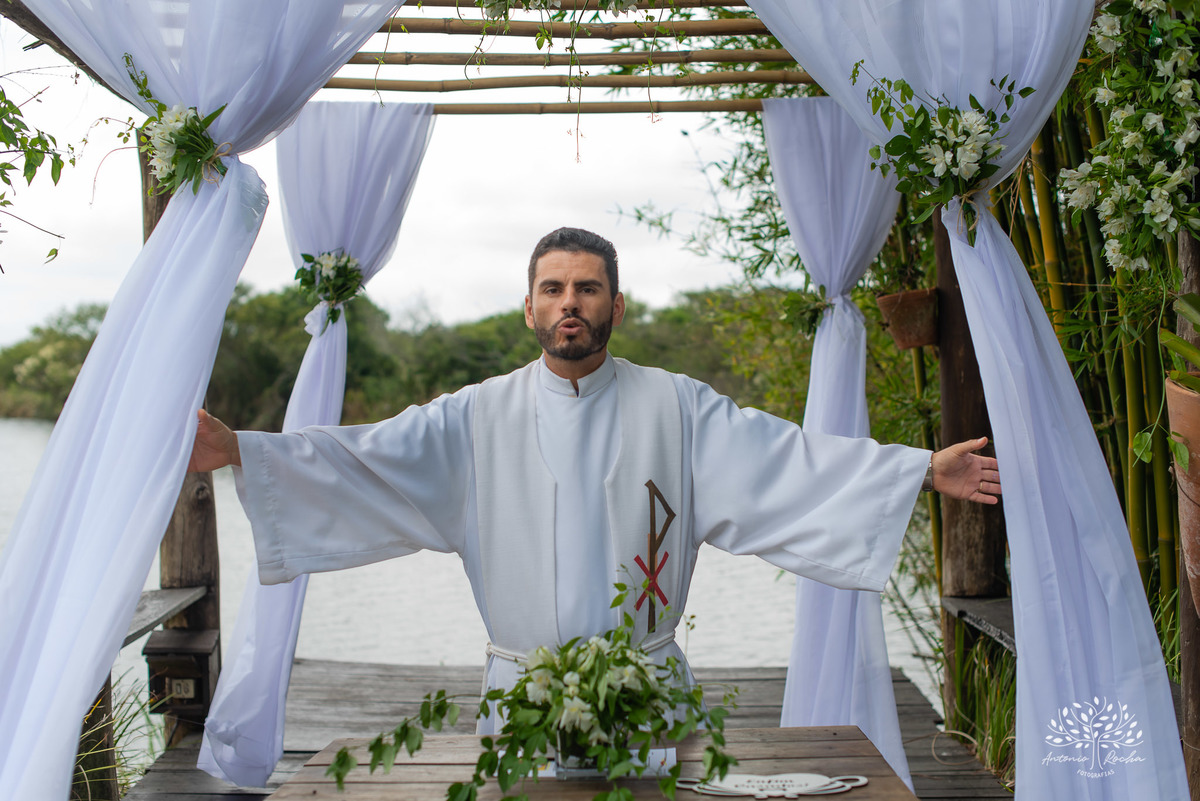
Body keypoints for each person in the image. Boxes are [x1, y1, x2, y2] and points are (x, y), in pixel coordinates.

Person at [189, 227, 999, 730]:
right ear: (530, 308)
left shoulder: (678, 408)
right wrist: (242, 450)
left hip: (647, 693)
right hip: (521, 703)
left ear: (617, 304)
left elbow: (786, 459)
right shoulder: (473, 418)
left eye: (587, 287)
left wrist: (919, 469)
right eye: (554, 288)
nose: (569, 301)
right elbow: (364, 457)